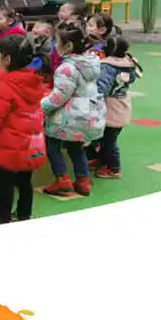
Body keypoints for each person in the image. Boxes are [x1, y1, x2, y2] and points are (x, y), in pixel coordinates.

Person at [0, 35, 47, 226]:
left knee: (5, 186)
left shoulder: (4, 85)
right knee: (25, 183)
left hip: (10, 146)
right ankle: (24, 215)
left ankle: (2, 219)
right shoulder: (32, 82)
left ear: (7, 60)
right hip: (30, 144)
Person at [41, 21, 105, 197]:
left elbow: (59, 97)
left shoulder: (67, 68)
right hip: (87, 114)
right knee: (75, 147)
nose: (54, 46)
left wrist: (41, 109)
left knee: (52, 144)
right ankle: (82, 181)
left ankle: (62, 179)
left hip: (69, 117)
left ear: (68, 45)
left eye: (57, 42)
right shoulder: (91, 62)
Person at [91, 36, 139, 179]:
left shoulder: (107, 66)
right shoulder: (128, 64)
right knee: (104, 137)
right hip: (122, 104)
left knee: (109, 140)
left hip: (110, 107)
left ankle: (113, 168)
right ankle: (102, 160)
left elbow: (102, 89)